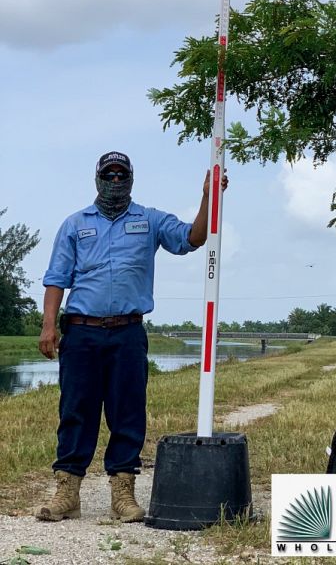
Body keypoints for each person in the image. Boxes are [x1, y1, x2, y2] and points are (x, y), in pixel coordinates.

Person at [35, 151, 228, 524]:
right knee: (76, 410)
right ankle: (67, 490)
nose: (116, 181)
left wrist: (209, 196)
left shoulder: (150, 220)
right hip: (81, 332)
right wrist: (48, 325)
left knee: (127, 411)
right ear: (98, 179)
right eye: (109, 174)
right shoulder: (75, 224)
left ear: (131, 179)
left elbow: (193, 236)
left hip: (127, 332)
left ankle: (122, 491)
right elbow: (56, 278)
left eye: (122, 175)